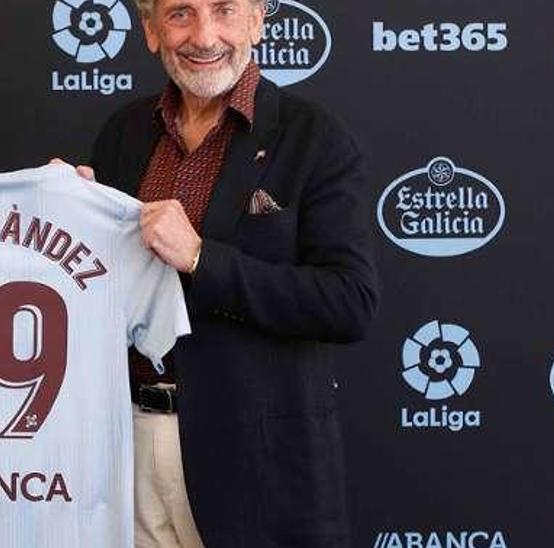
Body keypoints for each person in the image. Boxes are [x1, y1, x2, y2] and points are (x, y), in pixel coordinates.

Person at [86, 0, 380, 545]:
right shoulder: (123, 134)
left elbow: (348, 300)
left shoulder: (313, 137)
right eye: (180, 14)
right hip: (125, 449)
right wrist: (64, 211)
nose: (204, 36)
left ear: (257, 21)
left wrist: (202, 258)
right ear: (150, 31)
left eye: (223, 10)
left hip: (257, 468)